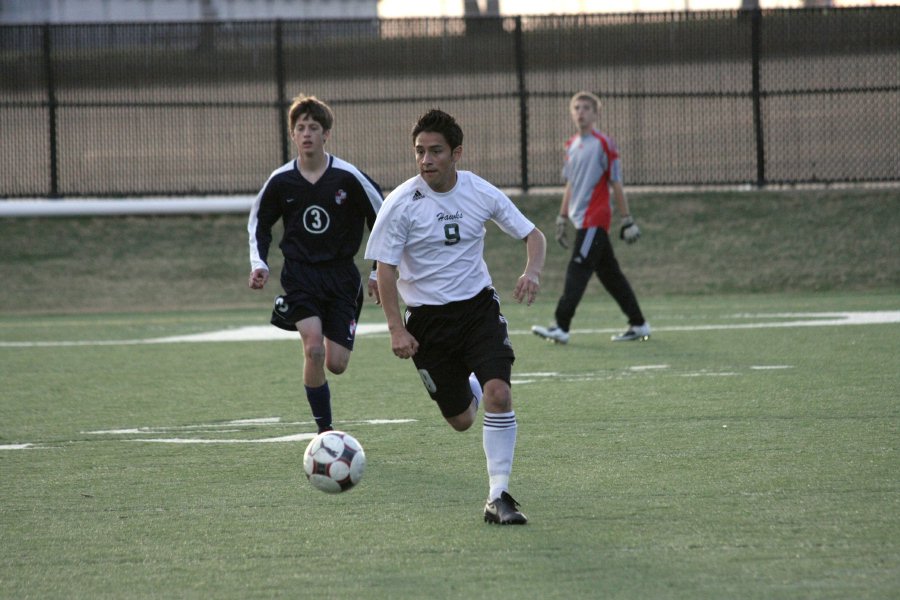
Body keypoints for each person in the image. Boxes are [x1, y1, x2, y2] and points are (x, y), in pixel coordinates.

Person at [365, 109, 546, 525]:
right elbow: (385, 270)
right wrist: (396, 329)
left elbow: (532, 235)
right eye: (419, 152)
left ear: (456, 153)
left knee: (499, 393)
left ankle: (498, 496)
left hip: (479, 310)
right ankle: (471, 386)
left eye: (435, 151)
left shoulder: (479, 192)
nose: (426, 160)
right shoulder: (400, 204)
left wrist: (532, 271)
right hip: (427, 324)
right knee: (462, 419)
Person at [248, 94, 383, 433]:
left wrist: (379, 270)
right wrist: (259, 263)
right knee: (314, 350)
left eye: (314, 127)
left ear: (327, 134)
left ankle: (334, 332)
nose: (306, 133)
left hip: (341, 278)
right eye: (300, 127)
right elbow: (259, 223)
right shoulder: (281, 181)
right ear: (293, 135)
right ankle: (325, 433)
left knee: (336, 363)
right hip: (300, 277)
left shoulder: (348, 177)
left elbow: (383, 220)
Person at [532, 91, 650, 345]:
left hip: (595, 220)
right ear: (572, 112)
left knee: (578, 268)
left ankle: (561, 326)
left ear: (596, 113)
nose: (581, 112)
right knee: (610, 275)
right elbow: (570, 185)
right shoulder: (571, 145)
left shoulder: (603, 143)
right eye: (577, 108)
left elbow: (615, 182)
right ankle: (639, 323)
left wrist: (626, 219)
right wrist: (562, 217)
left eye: (586, 108)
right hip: (580, 220)